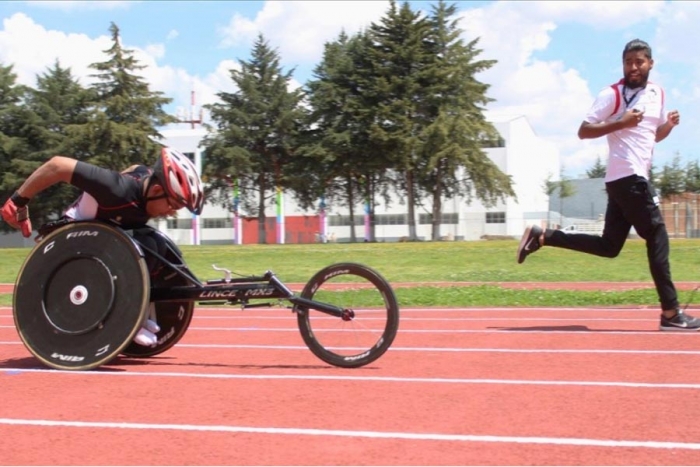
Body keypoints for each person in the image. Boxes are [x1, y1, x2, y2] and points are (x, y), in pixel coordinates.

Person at [516, 38, 700, 332]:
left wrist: (668, 126)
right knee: (657, 236)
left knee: (609, 246)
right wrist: (620, 123)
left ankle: (544, 237)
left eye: (639, 61)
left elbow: (650, 137)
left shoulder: (657, 93)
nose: (633, 67)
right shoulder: (612, 95)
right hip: (628, 178)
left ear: (650, 63)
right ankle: (670, 313)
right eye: (628, 62)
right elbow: (583, 131)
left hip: (626, 180)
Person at [1, 146, 205, 345]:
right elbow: (58, 165)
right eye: (172, 205)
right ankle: (123, 316)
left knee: (155, 245)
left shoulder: (147, 186)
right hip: (73, 245)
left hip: (105, 240)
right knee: (141, 250)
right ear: (157, 189)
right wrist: (18, 201)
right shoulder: (116, 188)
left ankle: (136, 308)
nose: (171, 213)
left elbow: (136, 168)